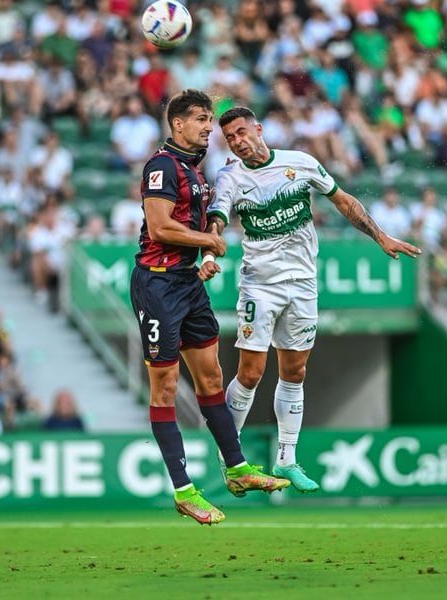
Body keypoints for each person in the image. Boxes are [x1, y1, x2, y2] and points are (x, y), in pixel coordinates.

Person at [206, 106, 421, 492]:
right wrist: (209, 252)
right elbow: (217, 218)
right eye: (230, 138)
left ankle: (287, 459)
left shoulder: (300, 163)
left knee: (295, 371)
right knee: (251, 372)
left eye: (241, 132)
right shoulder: (230, 177)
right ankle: (230, 458)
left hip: (304, 283)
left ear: (259, 129)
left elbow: (343, 200)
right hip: (260, 284)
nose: (238, 142)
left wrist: (381, 236)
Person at [129, 90, 289, 525]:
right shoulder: (162, 166)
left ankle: (236, 470)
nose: (207, 126)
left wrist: (202, 259)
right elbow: (160, 227)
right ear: (177, 124)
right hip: (157, 286)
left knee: (212, 375)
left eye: (209, 119)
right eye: (200, 119)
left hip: (185, 282)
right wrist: (209, 241)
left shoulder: (193, 171)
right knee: (164, 386)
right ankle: (183, 491)